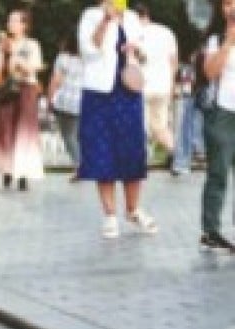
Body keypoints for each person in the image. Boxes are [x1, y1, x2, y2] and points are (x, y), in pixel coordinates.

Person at [78, 1, 156, 239]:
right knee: (103, 149)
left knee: (132, 148)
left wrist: (137, 51)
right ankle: (110, 214)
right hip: (100, 92)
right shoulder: (91, 15)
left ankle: (133, 209)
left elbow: (145, 53)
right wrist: (105, 20)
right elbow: (88, 50)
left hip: (129, 89)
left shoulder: (132, 18)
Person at [0, 9, 44, 190]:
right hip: (7, 91)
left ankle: (23, 173)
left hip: (26, 89)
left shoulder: (31, 45)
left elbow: (35, 67)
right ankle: (6, 169)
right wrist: (4, 54)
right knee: (5, 130)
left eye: (14, 21)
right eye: (9, 20)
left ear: (24, 25)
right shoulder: (1, 45)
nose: (10, 24)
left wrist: (17, 59)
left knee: (24, 132)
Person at [199, 0, 235, 251]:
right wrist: (228, 42)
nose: (231, 8)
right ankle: (211, 231)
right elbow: (209, 72)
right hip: (222, 112)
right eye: (227, 4)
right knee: (219, 172)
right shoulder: (215, 38)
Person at [137, 3, 177, 159]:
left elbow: (137, 59)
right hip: (164, 85)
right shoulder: (167, 32)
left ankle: (139, 158)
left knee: (140, 125)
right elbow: (173, 61)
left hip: (143, 86)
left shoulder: (134, 33)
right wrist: (172, 85)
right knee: (160, 125)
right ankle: (175, 153)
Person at [48, 31, 85, 178]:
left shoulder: (63, 58)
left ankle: (79, 165)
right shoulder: (88, 59)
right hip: (84, 100)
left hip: (66, 101)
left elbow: (56, 80)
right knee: (78, 134)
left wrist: (50, 98)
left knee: (68, 135)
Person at [172, 48, 205, 176]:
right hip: (197, 78)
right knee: (190, 119)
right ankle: (186, 158)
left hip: (197, 77)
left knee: (189, 120)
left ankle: (183, 160)